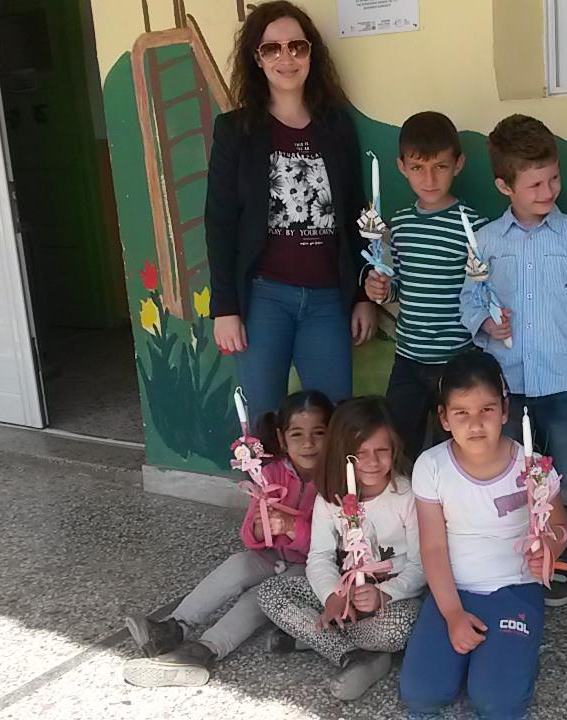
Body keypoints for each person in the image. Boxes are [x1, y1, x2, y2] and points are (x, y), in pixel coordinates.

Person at [205, 1, 376, 418]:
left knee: (334, 421)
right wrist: (225, 308)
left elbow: (356, 213)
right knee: (264, 422)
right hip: (264, 299)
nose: (286, 58)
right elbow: (220, 222)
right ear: (257, 58)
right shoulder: (235, 131)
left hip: (327, 299)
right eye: (272, 48)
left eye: (297, 46)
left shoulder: (336, 126)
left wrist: (361, 295)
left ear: (311, 53)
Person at [458, 114, 567, 607]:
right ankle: (518, 558)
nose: (548, 191)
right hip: (506, 388)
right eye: (535, 184)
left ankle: (564, 562)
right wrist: (485, 324)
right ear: (504, 186)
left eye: (553, 178)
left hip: (560, 382)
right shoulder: (486, 241)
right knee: (510, 478)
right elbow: (469, 301)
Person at [399, 350, 567, 719]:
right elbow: (433, 546)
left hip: (514, 589)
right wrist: (452, 614)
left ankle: (512, 656)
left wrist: (550, 548)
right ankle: (493, 654)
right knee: (421, 694)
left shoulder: (532, 466)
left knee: (497, 703)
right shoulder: (432, 466)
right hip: (453, 590)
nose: (475, 424)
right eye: (461, 413)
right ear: (444, 417)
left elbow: (559, 526)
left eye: (486, 410)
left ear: (505, 410)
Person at [122, 391, 332, 686]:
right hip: (273, 555)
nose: (308, 443)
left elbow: (331, 546)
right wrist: (259, 531)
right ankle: (174, 627)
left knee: (261, 595)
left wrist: (293, 528)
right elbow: (248, 533)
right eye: (297, 434)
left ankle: (205, 650)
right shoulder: (269, 473)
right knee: (237, 565)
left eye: (318, 433)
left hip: (309, 568)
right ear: (282, 439)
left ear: (332, 436)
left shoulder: (336, 481)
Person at [257, 397, 425, 701]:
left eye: (381, 451)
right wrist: (332, 597)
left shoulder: (406, 495)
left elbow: (421, 565)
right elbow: (320, 556)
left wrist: (384, 594)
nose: (372, 462)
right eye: (359, 454)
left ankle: (319, 636)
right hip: (343, 594)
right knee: (270, 593)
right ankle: (353, 654)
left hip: (390, 600)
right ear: (342, 453)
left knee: (400, 627)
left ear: (395, 448)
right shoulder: (330, 498)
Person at [364, 111, 489, 456]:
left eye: (440, 166)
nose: (430, 179)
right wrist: (381, 290)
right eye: (418, 167)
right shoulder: (401, 224)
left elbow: (482, 291)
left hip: (457, 358)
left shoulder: (474, 226)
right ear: (401, 167)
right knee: (399, 445)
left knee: (453, 450)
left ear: (458, 164)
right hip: (408, 356)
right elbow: (399, 284)